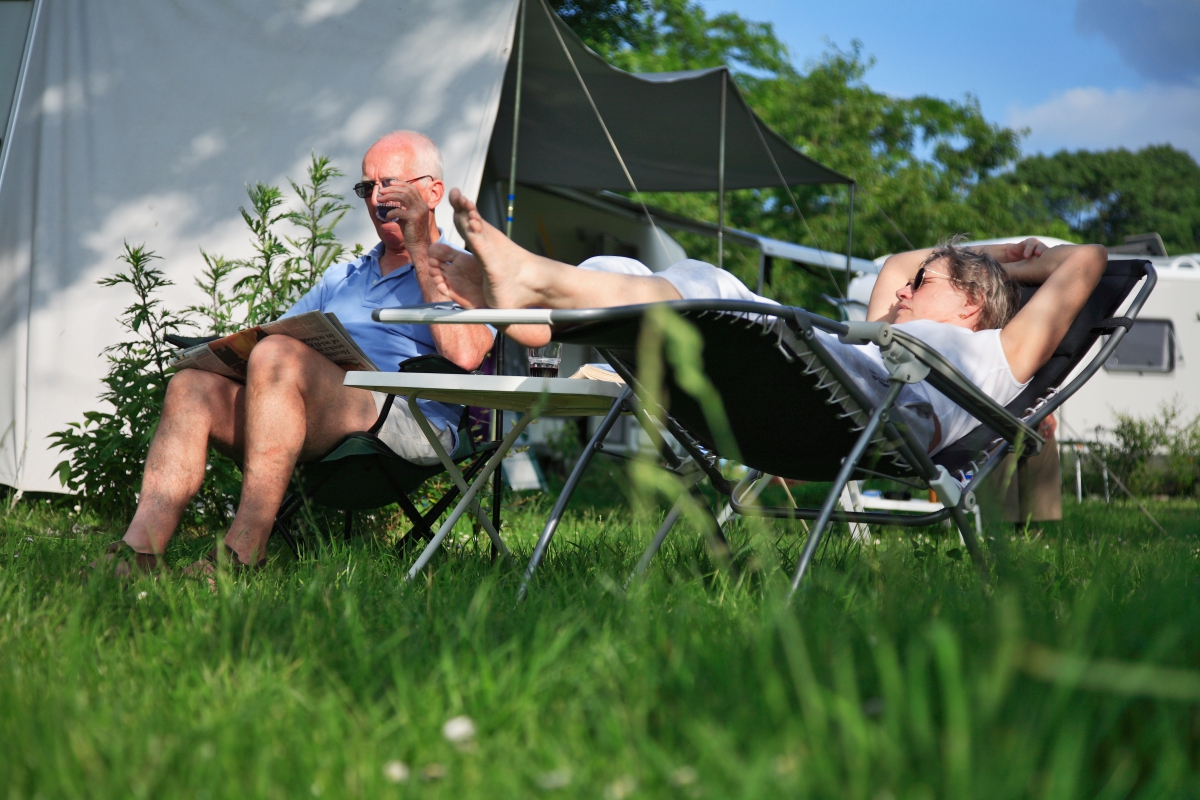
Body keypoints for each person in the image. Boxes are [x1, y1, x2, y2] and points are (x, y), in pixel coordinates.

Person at [425, 188, 1107, 454]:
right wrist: (967, 256)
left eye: (927, 285)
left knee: (707, 285)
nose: (900, 292)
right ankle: (539, 298)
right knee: (685, 279)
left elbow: (1089, 260)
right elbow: (898, 261)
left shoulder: (992, 354)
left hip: (847, 411)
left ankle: (539, 289)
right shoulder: (884, 328)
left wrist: (1012, 267)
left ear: (969, 305)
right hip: (813, 398)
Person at [100, 131, 494, 576]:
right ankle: (139, 553)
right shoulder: (344, 276)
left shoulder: (465, 264)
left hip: (411, 420)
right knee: (192, 385)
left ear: (433, 192)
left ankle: (244, 553)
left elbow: (466, 354)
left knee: (279, 356)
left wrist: (421, 248)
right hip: (321, 414)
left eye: (394, 186)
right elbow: (275, 339)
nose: (379, 198)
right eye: (369, 188)